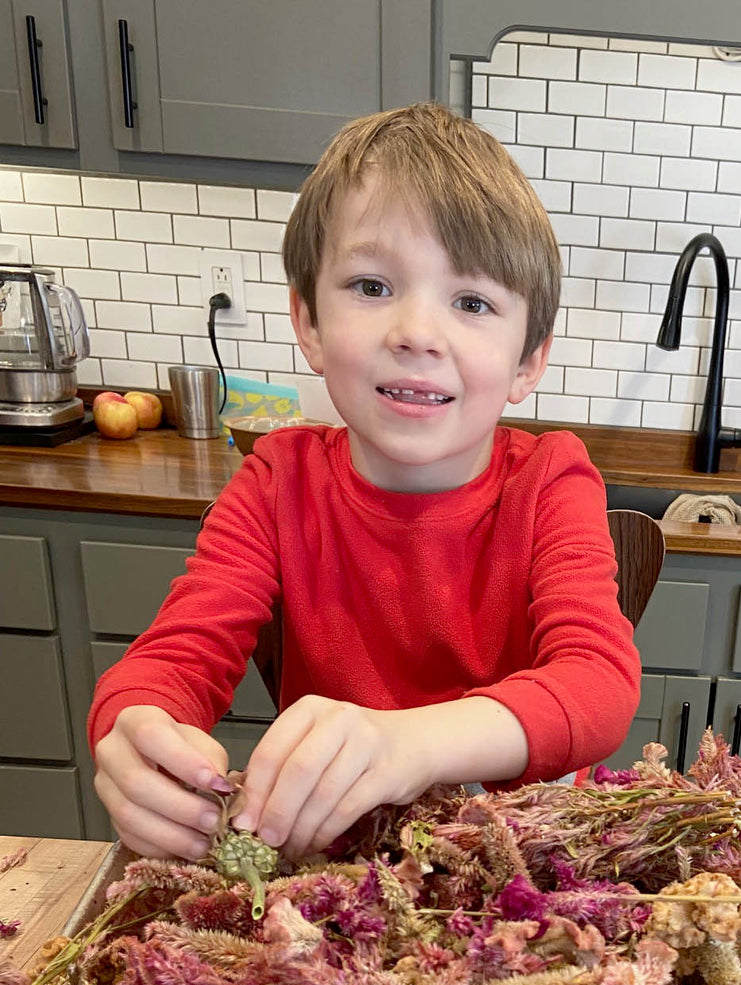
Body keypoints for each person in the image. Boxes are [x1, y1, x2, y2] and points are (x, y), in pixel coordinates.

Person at [88, 103, 641, 864]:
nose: (416, 332)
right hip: (334, 870)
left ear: (528, 361)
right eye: (372, 286)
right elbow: (172, 661)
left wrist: (407, 743)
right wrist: (136, 732)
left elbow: (597, 685)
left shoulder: (551, 480)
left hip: (524, 867)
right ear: (308, 322)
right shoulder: (277, 481)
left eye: (472, 302)